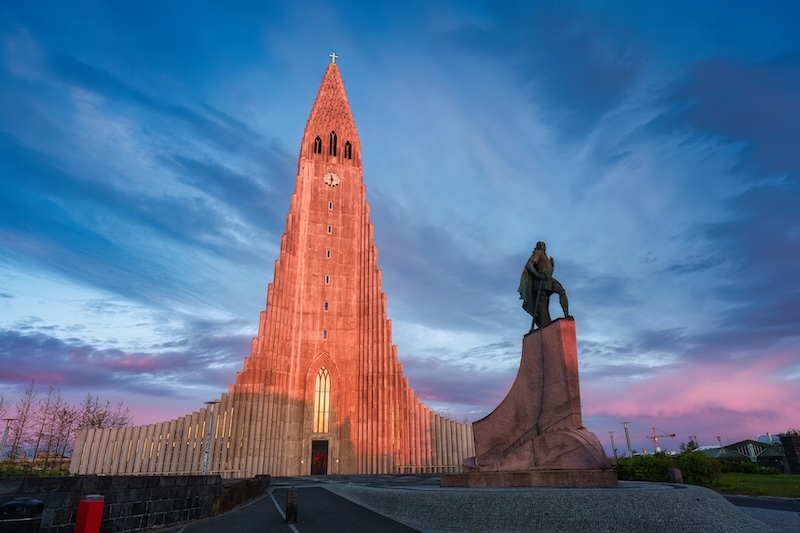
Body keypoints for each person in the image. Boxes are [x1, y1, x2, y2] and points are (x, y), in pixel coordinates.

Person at [518, 241, 570, 332]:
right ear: (538, 246)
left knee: (562, 291)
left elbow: (548, 269)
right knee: (541, 301)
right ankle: (543, 323)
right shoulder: (537, 253)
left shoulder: (545, 256)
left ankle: (566, 315)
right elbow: (529, 264)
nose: (543, 245)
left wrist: (552, 265)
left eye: (544, 244)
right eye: (541, 244)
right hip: (541, 279)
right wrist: (537, 275)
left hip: (548, 278)